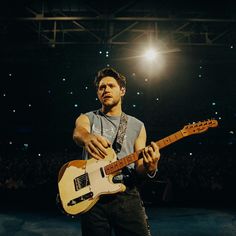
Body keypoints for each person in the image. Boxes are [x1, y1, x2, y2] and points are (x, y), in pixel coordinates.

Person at [73, 67, 160, 236]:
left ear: (122, 90)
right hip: (93, 197)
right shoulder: (88, 117)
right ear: (98, 93)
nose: (105, 90)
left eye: (111, 86)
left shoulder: (137, 125)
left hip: (126, 194)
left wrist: (151, 167)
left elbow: (139, 168)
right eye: (101, 87)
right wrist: (87, 137)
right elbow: (78, 133)